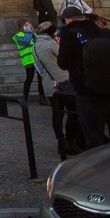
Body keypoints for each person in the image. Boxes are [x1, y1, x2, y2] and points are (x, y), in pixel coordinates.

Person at [57, 6, 110, 147]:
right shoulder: (105, 32)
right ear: (83, 17)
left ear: (66, 20)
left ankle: (100, 168)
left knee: (95, 138)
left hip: (88, 93)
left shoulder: (69, 35)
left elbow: (63, 63)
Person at [33, 21, 82, 158]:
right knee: (73, 111)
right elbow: (64, 59)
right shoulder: (52, 44)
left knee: (57, 114)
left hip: (49, 84)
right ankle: (70, 141)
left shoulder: (35, 47)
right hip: (62, 82)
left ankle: (60, 142)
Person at [13, 19, 45, 103]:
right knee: (29, 78)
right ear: (22, 27)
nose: (29, 26)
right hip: (28, 60)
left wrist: (33, 34)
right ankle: (25, 98)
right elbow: (26, 41)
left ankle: (42, 97)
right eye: (26, 25)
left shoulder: (33, 34)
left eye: (29, 24)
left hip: (37, 59)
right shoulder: (18, 36)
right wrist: (28, 32)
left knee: (40, 78)